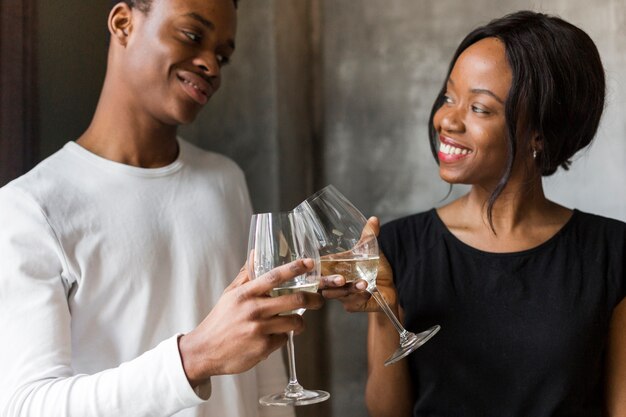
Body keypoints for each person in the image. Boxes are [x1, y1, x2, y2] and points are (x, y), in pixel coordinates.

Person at [0, 0, 323, 416]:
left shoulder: (225, 181)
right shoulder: (30, 207)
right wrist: (193, 358)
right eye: (192, 36)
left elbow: (267, 377)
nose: (211, 65)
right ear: (123, 24)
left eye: (223, 55)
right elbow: (26, 406)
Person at [322, 10, 626, 417]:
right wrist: (385, 315)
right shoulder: (398, 247)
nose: (446, 119)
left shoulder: (612, 252)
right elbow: (388, 413)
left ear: (541, 132)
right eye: (449, 97)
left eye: (479, 108)